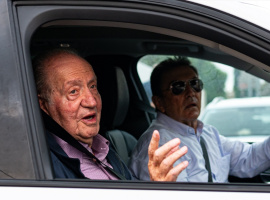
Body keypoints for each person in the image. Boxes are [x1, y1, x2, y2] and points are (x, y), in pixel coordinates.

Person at [32, 49, 188, 181]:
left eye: (92, 86)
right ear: (44, 105)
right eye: (73, 91)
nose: (92, 101)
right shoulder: (42, 165)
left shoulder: (105, 149)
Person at [129, 57, 270, 182]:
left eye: (195, 84)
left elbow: (247, 159)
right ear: (159, 102)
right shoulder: (159, 146)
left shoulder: (207, 133)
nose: (191, 93)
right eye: (178, 87)